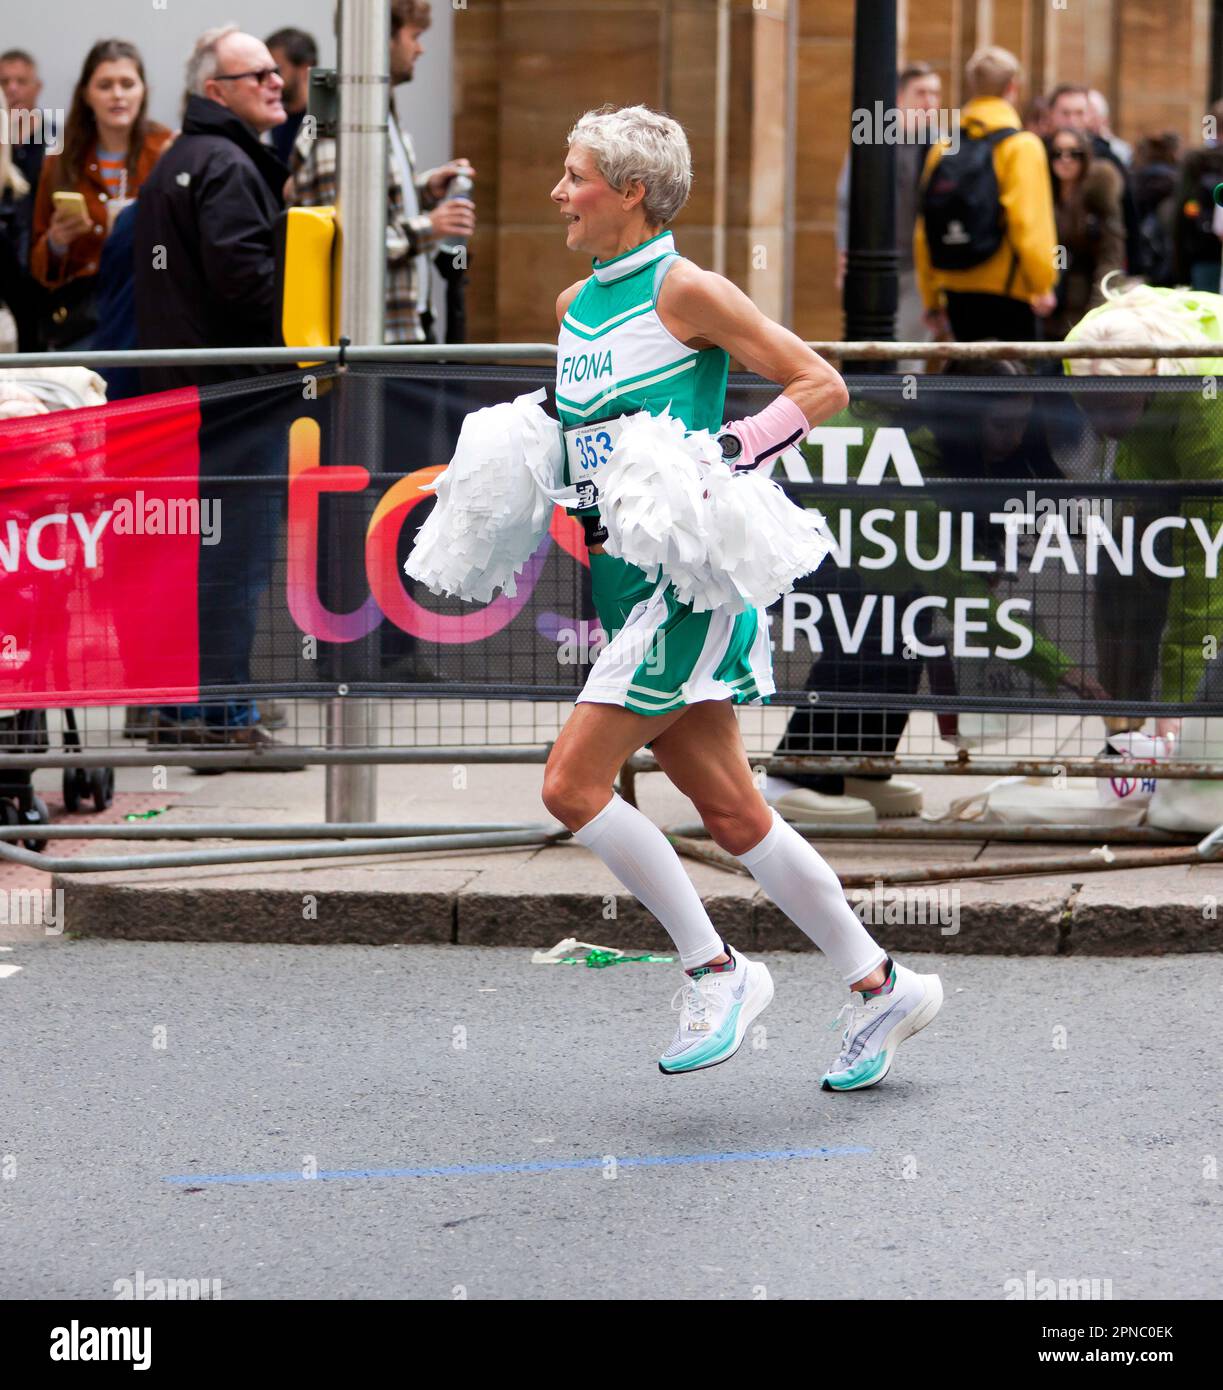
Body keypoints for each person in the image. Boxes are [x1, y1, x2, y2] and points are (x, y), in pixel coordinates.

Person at [541, 104, 943, 1088]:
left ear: (629, 192)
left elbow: (819, 384)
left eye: (574, 173)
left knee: (569, 786)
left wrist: (724, 451)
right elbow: (583, 448)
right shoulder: (570, 305)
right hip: (622, 576)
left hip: (685, 590)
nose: (557, 192)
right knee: (728, 809)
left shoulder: (687, 289)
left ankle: (715, 967)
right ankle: (876, 980)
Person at [133, 26, 293, 752]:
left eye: (274, 72)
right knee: (233, 560)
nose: (275, 82)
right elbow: (246, 286)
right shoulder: (227, 164)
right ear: (215, 92)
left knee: (194, 557)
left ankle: (176, 712)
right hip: (233, 402)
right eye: (255, 73)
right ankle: (223, 717)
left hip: (187, 400)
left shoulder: (182, 158)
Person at [289, 0, 474, 346]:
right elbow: (351, 238)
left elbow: (377, 202)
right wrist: (431, 226)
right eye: (414, 36)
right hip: (372, 337)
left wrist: (424, 189)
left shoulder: (381, 112)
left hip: (403, 324)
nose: (420, 48)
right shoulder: (341, 124)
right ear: (382, 39)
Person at [28, 40, 170, 351]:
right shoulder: (61, 161)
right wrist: (56, 241)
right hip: (85, 316)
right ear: (87, 94)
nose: (118, 95)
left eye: (127, 84)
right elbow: (38, 265)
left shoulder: (165, 150)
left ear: (143, 90)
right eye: (105, 85)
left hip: (151, 305)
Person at [914, 45, 1058, 343]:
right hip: (1009, 291)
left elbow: (924, 229)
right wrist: (1042, 284)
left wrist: (931, 299)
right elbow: (1028, 226)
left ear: (972, 86)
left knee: (969, 383)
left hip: (954, 287)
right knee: (1011, 384)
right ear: (1012, 87)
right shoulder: (1022, 146)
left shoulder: (944, 147)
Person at [835, 61, 941, 367]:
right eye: (921, 92)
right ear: (900, 97)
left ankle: (902, 409)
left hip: (922, 268)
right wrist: (843, 251)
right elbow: (848, 198)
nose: (930, 101)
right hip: (874, 261)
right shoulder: (874, 137)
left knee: (910, 353)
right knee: (872, 347)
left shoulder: (944, 143)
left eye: (936, 94)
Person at [1047, 83, 1143, 275]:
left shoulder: (1105, 161)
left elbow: (1122, 222)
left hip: (1087, 266)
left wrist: (1131, 269)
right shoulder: (1038, 153)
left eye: (1079, 113)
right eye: (1065, 113)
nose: (1072, 120)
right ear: (1052, 115)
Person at [1043, 126, 1125, 341]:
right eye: (1057, 154)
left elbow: (1111, 257)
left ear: (1085, 156)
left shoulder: (1097, 196)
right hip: (1047, 304)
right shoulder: (1043, 193)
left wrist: (1097, 311)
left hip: (1084, 303)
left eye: (1074, 153)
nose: (1065, 159)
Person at [1175, 100, 1223, 291]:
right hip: (1205, 254)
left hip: (1203, 256)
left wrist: (1179, 267)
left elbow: (1180, 214)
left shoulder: (1196, 159)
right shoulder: (1197, 160)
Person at [265, 27, 316, 166]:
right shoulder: (272, 121)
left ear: (305, 68)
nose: (271, 80)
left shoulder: (320, 123)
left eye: (277, 70)